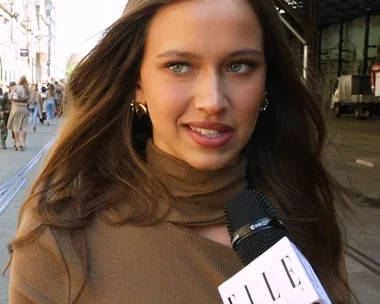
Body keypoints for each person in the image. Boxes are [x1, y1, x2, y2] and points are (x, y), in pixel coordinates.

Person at [7, 1, 353, 303]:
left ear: (267, 81)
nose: (213, 102)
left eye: (239, 65)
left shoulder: (306, 220)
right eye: (179, 66)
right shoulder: (61, 235)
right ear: (137, 83)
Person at [6, 76, 30, 151]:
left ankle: (17, 143)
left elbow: (10, 97)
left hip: (16, 107)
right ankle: (23, 143)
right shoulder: (27, 89)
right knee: (24, 127)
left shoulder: (16, 87)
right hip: (25, 108)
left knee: (16, 126)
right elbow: (30, 99)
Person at [0, 82, 15, 149]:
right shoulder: (5, 95)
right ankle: (3, 142)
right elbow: (1, 103)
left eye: (13, 87)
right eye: (11, 87)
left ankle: (16, 141)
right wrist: (1, 111)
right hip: (6, 113)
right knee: (3, 127)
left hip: (13, 113)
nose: (12, 88)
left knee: (14, 128)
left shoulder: (16, 95)